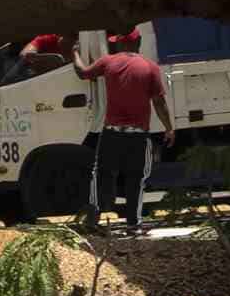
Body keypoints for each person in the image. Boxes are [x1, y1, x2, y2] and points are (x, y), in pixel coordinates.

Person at [73, 29, 176, 234]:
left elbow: (83, 73)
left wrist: (74, 52)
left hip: (111, 133)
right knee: (135, 179)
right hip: (137, 135)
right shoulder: (150, 67)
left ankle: (94, 220)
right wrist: (169, 127)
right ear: (138, 42)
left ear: (120, 44)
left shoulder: (108, 62)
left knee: (102, 174)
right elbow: (159, 102)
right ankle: (133, 225)